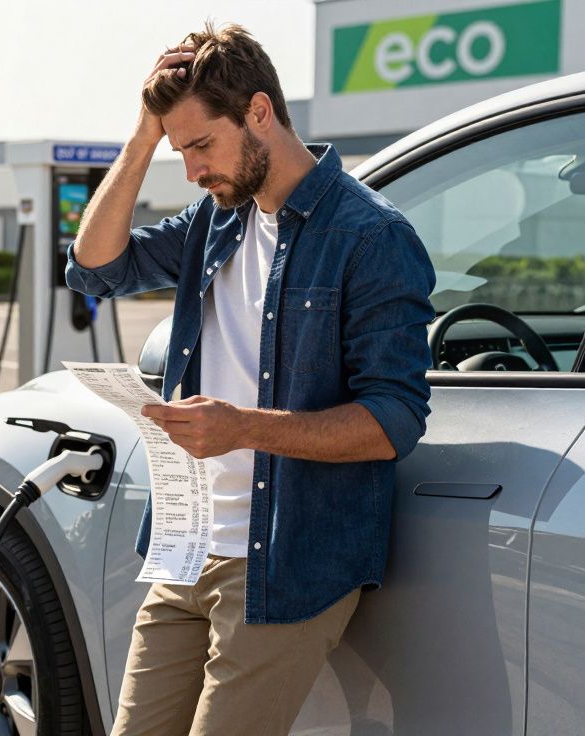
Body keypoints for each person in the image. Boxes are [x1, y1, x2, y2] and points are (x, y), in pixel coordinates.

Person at [66, 22, 436, 736]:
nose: (193, 170)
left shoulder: (369, 236)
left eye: (201, 145)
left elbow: (394, 419)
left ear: (259, 112)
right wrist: (146, 136)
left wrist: (241, 429)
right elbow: (96, 266)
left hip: (283, 566)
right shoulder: (219, 220)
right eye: (180, 152)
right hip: (185, 549)